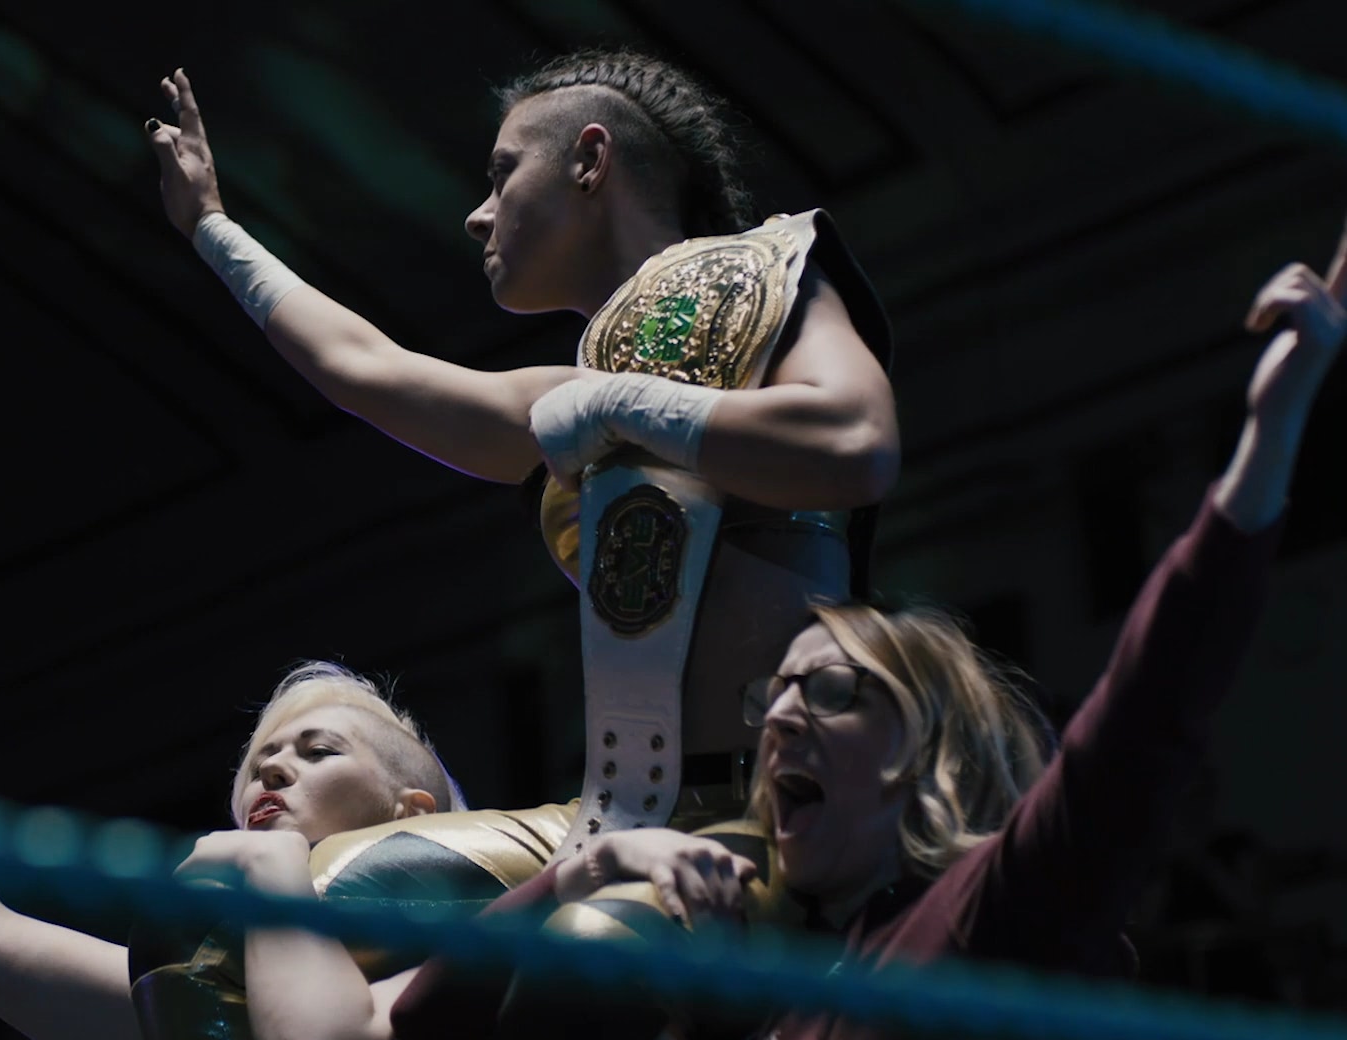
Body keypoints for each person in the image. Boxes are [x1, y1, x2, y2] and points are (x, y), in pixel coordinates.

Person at [387, 221, 1347, 1040]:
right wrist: (585, 869)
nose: (782, 718)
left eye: (833, 690)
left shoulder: (989, 916)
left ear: (926, 749)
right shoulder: (763, 991)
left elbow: (1150, 711)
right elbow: (432, 1020)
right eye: (777, 698)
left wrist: (1271, 436)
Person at [146, 49, 899, 818]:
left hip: (798, 805)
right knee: (374, 869)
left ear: (590, 159)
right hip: (633, 819)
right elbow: (361, 365)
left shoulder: (767, 274)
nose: (478, 213)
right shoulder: (571, 405)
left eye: (503, 173)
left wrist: (614, 406)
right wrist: (211, 227)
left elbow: (853, 444)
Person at [0, 519, 570, 1040]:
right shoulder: (197, 994)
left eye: (318, 752)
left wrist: (281, 864)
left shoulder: (491, 948)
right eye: (259, 765)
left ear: (413, 812)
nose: (273, 774)